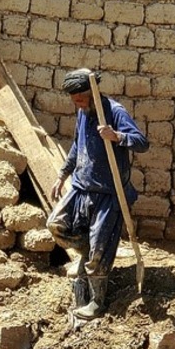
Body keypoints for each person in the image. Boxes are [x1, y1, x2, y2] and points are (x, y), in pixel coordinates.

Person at [47, 69, 150, 320]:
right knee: (56, 224)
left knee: (99, 250)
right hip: (81, 188)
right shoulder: (83, 112)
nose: (78, 105)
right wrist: (62, 175)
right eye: (75, 101)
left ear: (91, 94)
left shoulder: (115, 111)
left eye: (81, 100)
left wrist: (117, 136)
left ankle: (96, 301)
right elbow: (77, 145)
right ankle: (86, 252)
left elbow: (142, 142)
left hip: (108, 193)